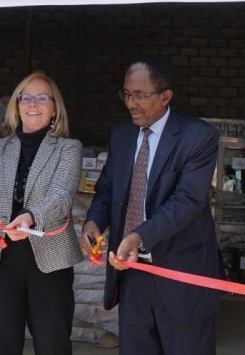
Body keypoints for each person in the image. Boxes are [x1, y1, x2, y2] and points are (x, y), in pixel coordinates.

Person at [79, 56, 222, 355]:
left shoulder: (198, 136)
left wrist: (138, 236)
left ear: (165, 96)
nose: (131, 103)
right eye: (127, 94)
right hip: (132, 272)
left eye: (140, 96)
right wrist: (93, 221)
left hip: (181, 272)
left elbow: (187, 200)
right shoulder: (122, 135)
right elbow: (107, 189)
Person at [0, 71, 83, 355]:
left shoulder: (68, 149)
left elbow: (61, 198)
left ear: (55, 107)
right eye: (26, 97)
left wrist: (29, 217)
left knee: (53, 345)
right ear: (16, 106)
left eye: (42, 98)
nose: (33, 104)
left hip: (49, 262)